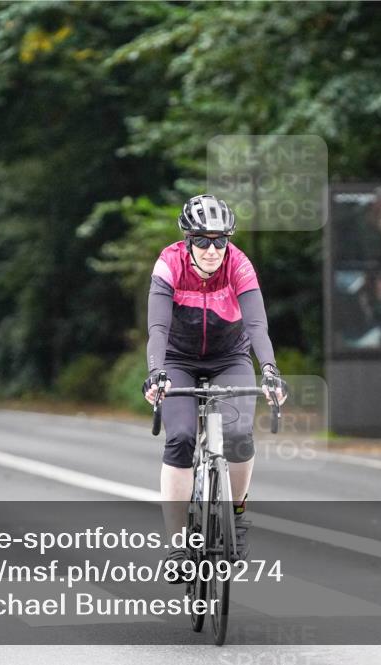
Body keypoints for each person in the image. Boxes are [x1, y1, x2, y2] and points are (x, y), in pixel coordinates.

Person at [142, 194, 287, 577]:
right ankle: (176, 547)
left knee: (239, 435)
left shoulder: (239, 264)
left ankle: (236, 517)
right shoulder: (168, 263)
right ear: (188, 240)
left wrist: (270, 370)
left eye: (220, 240)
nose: (212, 249)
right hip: (177, 359)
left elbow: (257, 326)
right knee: (182, 437)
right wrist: (156, 372)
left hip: (229, 358)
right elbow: (157, 327)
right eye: (202, 240)